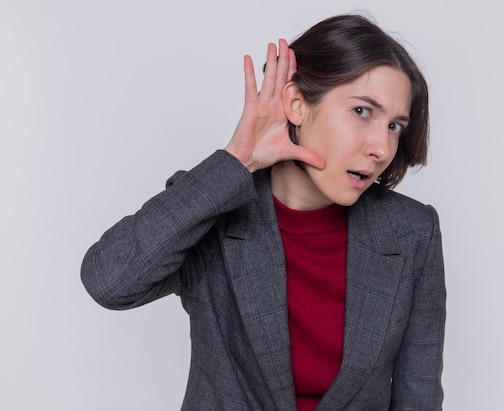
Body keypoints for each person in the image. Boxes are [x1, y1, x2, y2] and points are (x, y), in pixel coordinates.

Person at [81, 13, 446, 410]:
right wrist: (237, 161)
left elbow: (418, 397)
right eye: (362, 111)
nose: (382, 147)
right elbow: (109, 281)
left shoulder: (412, 232)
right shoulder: (214, 208)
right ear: (296, 104)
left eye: (395, 126)